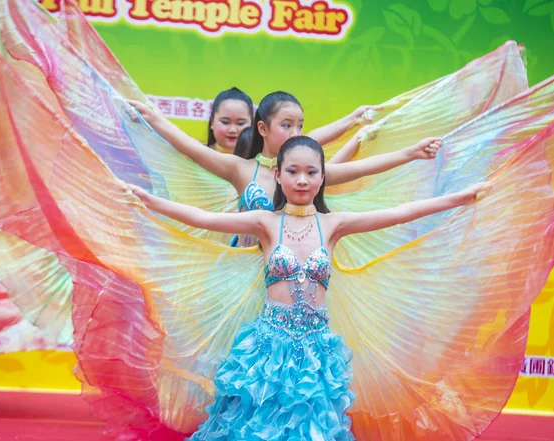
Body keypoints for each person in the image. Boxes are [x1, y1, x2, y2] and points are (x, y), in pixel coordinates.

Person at [126, 136, 484, 440]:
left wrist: (460, 197)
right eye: (293, 172)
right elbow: (203, 218)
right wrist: (148, 200)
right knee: (253, 429)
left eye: (311, 172)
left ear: (323, 177)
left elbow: (404, 211)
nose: (302, 180)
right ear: (278, 175)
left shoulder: (334, 224)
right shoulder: (264, 222)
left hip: (317, 351)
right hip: (266, 347)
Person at [131, 92, 441, 246]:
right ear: (263, 128)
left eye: (301, 126)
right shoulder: (241, 169)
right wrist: (155, 118)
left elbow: (360, 169)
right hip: (240, 273)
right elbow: (193, 149)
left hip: (289, 277)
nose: (296, 132)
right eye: (287, 125)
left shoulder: (301, 175)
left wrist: (410, 153)